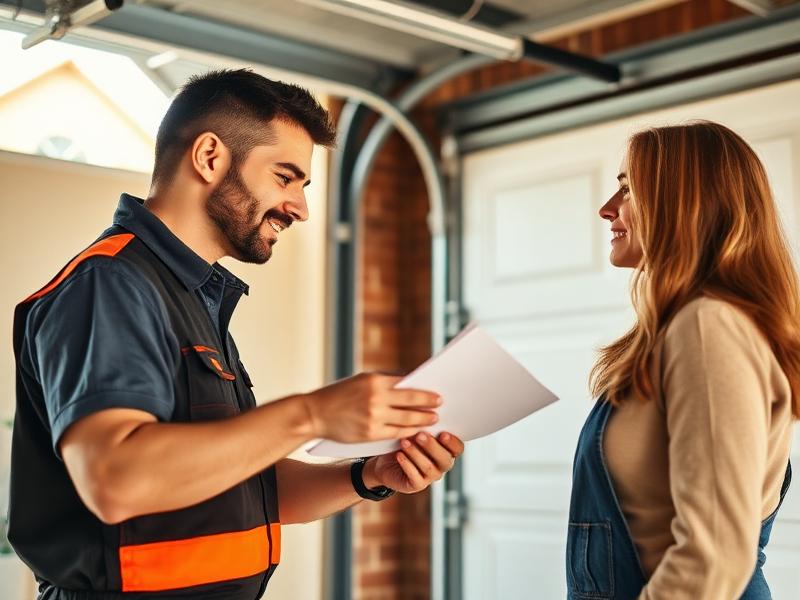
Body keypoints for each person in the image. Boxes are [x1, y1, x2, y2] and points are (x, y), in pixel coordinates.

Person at [8, 69, 464, 600]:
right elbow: (116, 481)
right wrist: (310, 414)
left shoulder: (190, 295)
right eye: (285, 177)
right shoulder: (110, 285)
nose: (300, 207)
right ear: (208, 157)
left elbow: (245, 486)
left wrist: (369, 474)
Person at [567, 121, 799, 599]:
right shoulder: (682, 328)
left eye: (628, 188)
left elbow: (712, 558)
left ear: (684, 201)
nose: (607, 208)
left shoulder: (709, 326)